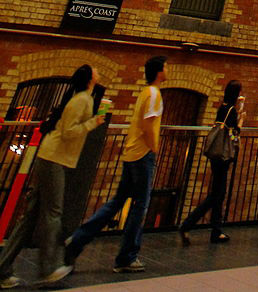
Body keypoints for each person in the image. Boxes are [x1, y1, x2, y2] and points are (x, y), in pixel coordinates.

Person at [0, 64, 103, 290]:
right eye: (95, 70)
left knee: (30, 218)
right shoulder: (83, 99)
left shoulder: (81, 97)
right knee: (53, 213)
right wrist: (92, 123)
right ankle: (48, 268)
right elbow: (67, 132)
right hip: (54, 159)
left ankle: (2, 268)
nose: (98, 71)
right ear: (89, 78)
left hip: (52, 156)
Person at [66, 56, 167, 274]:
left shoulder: (144, 93)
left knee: (117, 201)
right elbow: (149, 124)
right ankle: (126, 257)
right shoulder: (153, 94)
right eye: (166, 67)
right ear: (159, 72)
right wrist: (154, 147)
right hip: (142, 155)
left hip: (132, 154)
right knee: (139, 206)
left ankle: (77, 240)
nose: (168, 70)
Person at [179, 80, 245, 244]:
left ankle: (216, 231)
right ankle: (188, 224)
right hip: (223, 155)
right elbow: (232, 134)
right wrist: (241, 123)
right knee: (217, 193)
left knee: (219, 193)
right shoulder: (231, 111)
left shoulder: (222, 108)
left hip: (215, 155)